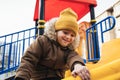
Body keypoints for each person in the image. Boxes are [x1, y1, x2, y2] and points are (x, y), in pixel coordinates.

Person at [14, 8, 90, 80]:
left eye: (72, 35)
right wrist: (21, 77)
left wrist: (78, 65)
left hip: (57, 78)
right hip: (39, 78)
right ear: (56, 31)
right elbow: (29, 59)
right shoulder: (43, 41)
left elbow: (74, 57)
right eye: (65, 32)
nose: (68, 37)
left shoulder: (68, 50)